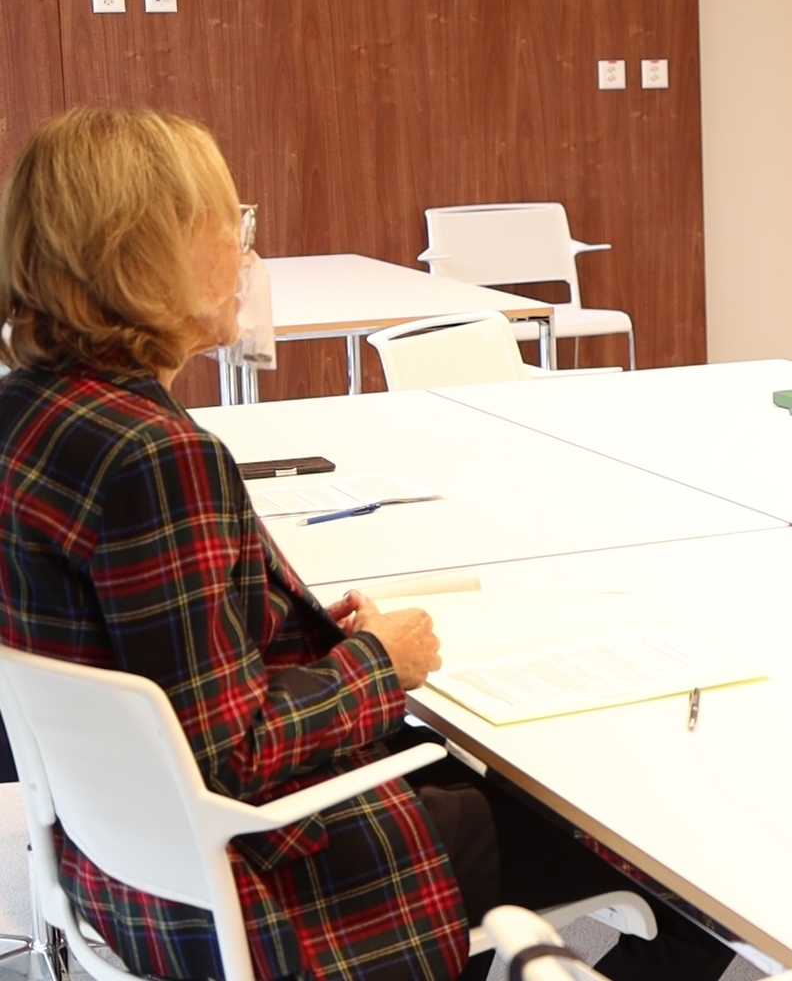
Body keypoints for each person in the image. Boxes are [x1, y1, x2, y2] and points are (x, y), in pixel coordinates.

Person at [0, 109, 734, 981]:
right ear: (145, 255)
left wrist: (305, 640)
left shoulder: (29, 413)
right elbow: (224, 757)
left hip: (124, 871)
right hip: (260, 887)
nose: (245, 255)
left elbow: (149, 677)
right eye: (229, 224)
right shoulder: (154, 458)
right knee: (660, 842)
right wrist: (379, 662)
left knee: (497, 788)